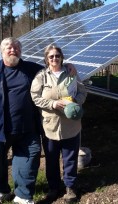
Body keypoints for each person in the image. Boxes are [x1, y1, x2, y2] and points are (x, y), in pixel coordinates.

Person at [0, 37, 76, 204]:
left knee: (28, 161)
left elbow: (53, 68)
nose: (13, 50)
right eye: (9, 47)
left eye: (16, 48)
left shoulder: (31, 69)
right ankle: (2, 191)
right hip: (0, 128)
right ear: (2, 51)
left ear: (20, 51)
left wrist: (68, 66)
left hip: (28, 128)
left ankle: (23, 195)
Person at [30, 44, 87, 203]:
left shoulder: (71, 73)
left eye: (57, 55)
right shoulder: (42, 76)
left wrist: (76, 102)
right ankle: (54, 188)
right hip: (50, 126)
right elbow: (35, 97)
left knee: (70, 158)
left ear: (62, 57)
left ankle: (70, 187)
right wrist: (52, 104)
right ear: (46, 59)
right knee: (51, 159)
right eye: (51, 56)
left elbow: (82, 91)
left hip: (71, 124)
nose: (54, 58)